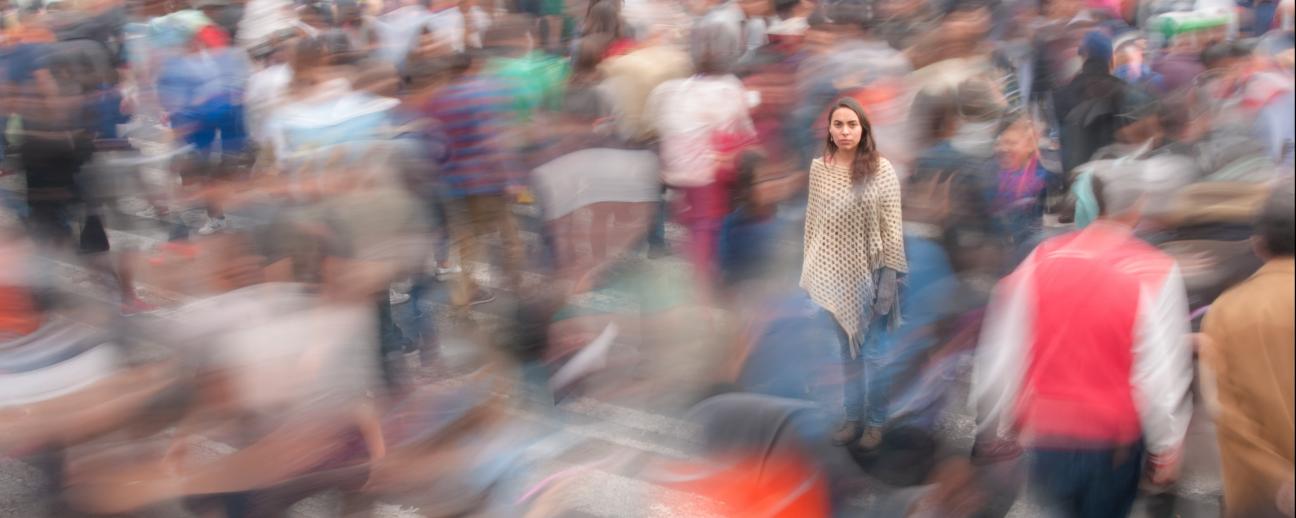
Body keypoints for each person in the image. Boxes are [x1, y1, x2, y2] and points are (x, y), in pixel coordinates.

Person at [972, 166, 1194, 518]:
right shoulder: (1156, 270)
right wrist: (1165, 446)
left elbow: (1004, 349)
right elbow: (1159, 371)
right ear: (1139, 205)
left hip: (1049, 434)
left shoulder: (1042, 258)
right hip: (1113, 440)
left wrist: (995, 426)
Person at [800, 97, 906, 449]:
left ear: (864, 130)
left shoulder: (881, 169)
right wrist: (811, 274)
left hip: (874, 276)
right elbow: (813, 227)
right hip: (834, 278)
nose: (845, 131)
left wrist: (888, 281)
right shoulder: (820, 170)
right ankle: (852, 417)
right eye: (838, 124)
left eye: (852, 125)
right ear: (829, 130)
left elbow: (892, 229)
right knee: (847, 353)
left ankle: (876, 422)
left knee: (873, 356)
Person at [1200, 179, 1295, 518]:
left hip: (1261, 496)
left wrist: (1281, 477)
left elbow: (1225, 410)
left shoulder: (1228, 310)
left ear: (1258, 245)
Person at [647, 17, 756, 296]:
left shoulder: (675, 89)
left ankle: (698, 274)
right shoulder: (730, 88)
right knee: (707, 227)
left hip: (679, 172)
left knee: (696, 224)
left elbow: (659, 125)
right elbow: (743, 130)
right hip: (711, 172)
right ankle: (705, 283)